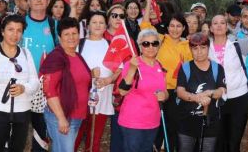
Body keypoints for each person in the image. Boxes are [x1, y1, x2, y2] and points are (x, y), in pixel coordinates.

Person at [0, 14, 40, 152]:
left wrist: (24, 88)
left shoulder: (25, 53)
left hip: (22, 112)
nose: (15, 34)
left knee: (17, 148)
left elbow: (35, 82)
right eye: (10, 29)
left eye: (19, 30)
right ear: (2, 31)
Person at [209, 5, 248, 152]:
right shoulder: (205, 48)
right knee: (219, 141)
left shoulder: (238, 44)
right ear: (210, 28)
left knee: (234, 141)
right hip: (216, 99)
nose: (219, 26)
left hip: (239, 98)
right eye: (215, 23)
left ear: (227, 26)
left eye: (222, 22)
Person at [141, 0, 193, 152]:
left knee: (175, 130)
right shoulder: (160, 39)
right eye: (172, 26)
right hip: (161, 91)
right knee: (157, 130)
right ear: (167, 27)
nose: (175, 29)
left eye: (179, 26)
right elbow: (144, 25)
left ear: (184, 28)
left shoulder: (189, 44)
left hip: (181, 92)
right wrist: (149, 3)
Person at [39, 18, 92, 152]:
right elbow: (49, 89)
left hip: (77, 115)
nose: (71, 37)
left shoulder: (77, 56)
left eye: (74, 33)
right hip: (61, 116)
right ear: (59, 37)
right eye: (66, 34)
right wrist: (61, 118)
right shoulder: (56, 58)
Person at [117, 29, 169, 151]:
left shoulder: (160, 66)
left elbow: (165, 91)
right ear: (140, 46)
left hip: (153, 121)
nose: (150, 47)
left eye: (154, 43)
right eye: (146, 44)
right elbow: (122, 91)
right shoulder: (133, 64)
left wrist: (164, 95)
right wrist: (132, 69)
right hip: (133, 122)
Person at [75, 11, 119, 152]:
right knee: (76, 134)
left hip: (103, 96)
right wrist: (89, 74)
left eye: (101, 22)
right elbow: (72, 69)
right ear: (88, 25)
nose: (98, 25)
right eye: (94, 22)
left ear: (106, 26)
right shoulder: (79, 44)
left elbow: (119, 68)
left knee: (95, 136)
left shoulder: (111, 45)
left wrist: (108, 79)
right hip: (80, 97)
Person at [176, 33, 226, 152]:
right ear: (191, 50)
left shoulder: (217, 68)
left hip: (210, 122)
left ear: (208, 48)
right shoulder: (185, 68)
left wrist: (209, 93)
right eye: (195, 48)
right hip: (187, 122)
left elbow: (221, 90)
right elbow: (180, 91)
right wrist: (197, 98)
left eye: (203, 48)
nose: (199, 52)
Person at [22, 0, 56, 151]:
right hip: (22, 83)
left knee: (40, 128)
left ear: (48, 1)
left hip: (45, 86)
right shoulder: (20, 23)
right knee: (18, 128)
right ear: (28, 1)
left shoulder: (53, 24)